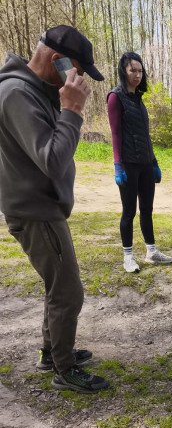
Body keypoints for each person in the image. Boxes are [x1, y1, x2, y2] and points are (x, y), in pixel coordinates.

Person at [0, 25, 109, 394]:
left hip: (42, 206)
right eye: (76, 68)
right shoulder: (17, 94)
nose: (77, 78)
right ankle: (63, 369)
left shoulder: (33, 91)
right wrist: (72, 110)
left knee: (57, 286)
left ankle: (52, 352)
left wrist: (64, 105)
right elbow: (53, 159)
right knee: (68, 292)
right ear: (56, 59)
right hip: (36, 211)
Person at [107, 52, 172, 272]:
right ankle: (128, 256)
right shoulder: (115, 98)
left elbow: (145, 134)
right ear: (123, 71)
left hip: (145, 164)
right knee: (129, 212)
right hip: (128, 164)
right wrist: (118, 165)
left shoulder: (139, 99)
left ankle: (151, 251)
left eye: (140, 71)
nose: (137, 75)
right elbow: (115, 134)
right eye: (132, 70)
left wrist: (153, 162)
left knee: (147, 209)